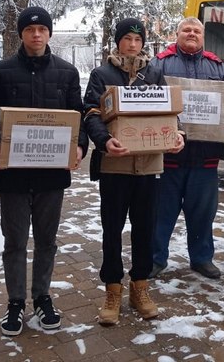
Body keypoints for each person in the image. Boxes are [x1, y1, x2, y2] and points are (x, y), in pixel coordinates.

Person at [0, 6, 88, 336]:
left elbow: (78, 117)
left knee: (47, 240)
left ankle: (42, 296)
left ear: (49, 33)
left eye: (42, 29)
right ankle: (15, 302)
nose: (37, 35)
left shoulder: (67, 73)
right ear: (22, 34)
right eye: (30, 30)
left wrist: (80, 145)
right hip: (13, 173)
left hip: (50, 173)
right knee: (14, 240)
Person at [83, 18, 184, 326]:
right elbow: (90, 113)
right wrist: (103, 140)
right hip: (115, 165)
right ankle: (112, 290)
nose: (132, 44)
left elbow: (169, 111)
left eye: (137, 39)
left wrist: (177, 135)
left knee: (145, 229)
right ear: (118, 42)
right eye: (126, 38)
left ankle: (140, 287)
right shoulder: (102, 74)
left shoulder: (154, 73)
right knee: (112, 230)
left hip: (149, 166)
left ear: (143, 43)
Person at [149, 17, 224, 280]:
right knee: (160, 214)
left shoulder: (217, 66)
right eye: (186, 30)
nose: (191, 34)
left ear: (203, 36)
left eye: (196, 31)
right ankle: (154, 259)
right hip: (168, 157)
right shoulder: (159, 63)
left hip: (206, 157)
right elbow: (148, 100)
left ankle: (201, 258)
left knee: (203, 214)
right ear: (177, 34)